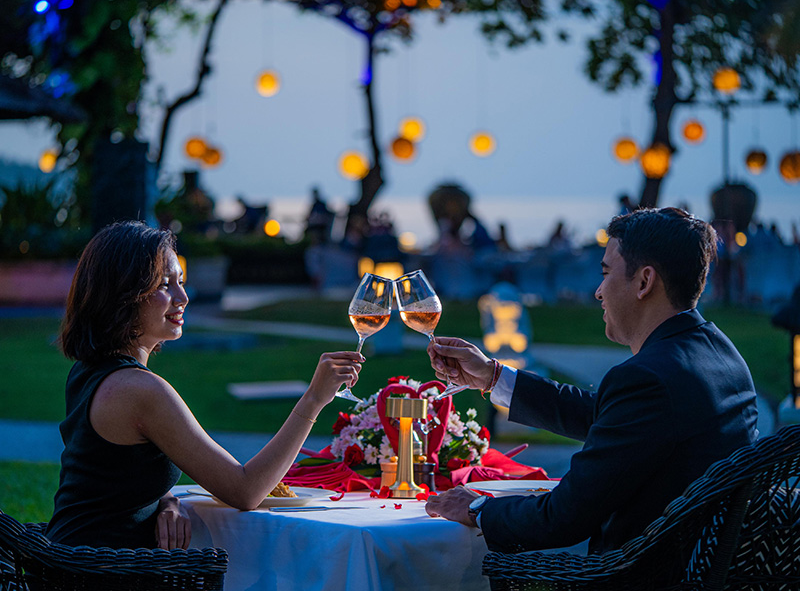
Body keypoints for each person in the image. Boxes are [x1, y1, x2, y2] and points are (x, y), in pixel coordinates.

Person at [425, 207, 758, 555]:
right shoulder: (720, 352)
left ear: (644, 282)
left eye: (606, 272)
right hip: (710, 564)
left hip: (645, 574)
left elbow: (562, 518)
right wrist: (493, 377)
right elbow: (610, 418)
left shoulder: (649, 379)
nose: (598, 292)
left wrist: (476, 508)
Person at [46, 221, 363, 550]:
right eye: (163, 284)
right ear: (124, 294)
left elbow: (113, 476)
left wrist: (167, 502)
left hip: (68, 561)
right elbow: (245, 490)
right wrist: (313, 400)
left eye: (180, 281)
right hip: (98, 575)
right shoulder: (140, 391)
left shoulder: (90, 371)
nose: (182, 296)